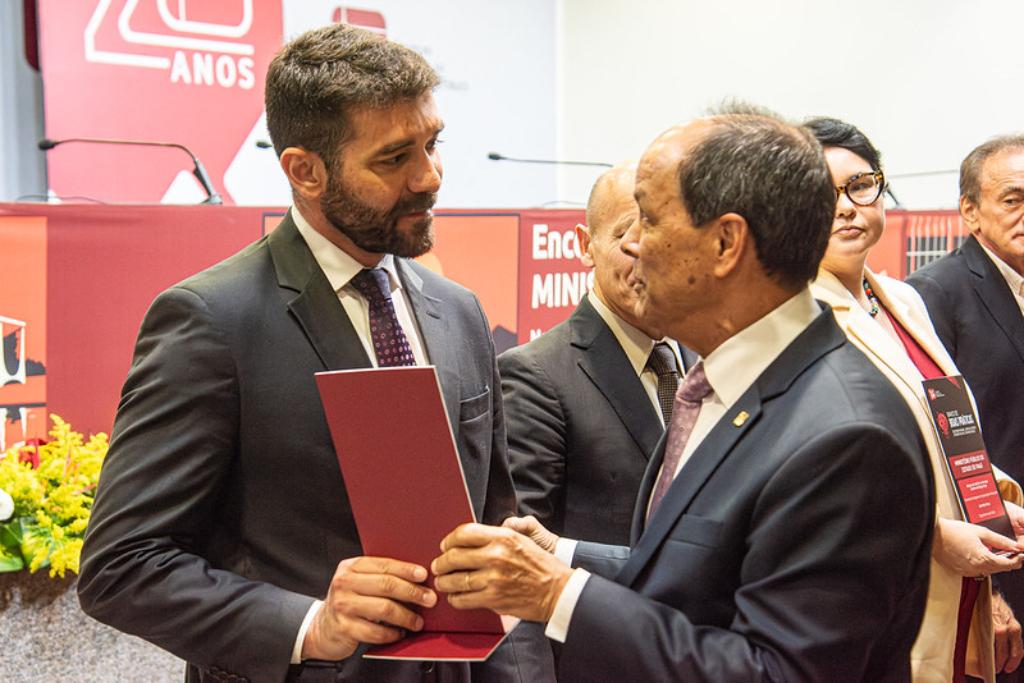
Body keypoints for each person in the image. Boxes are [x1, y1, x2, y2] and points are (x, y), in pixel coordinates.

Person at [77, 24, 549, 683]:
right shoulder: (211, 320)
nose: (429, 176)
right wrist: (311, 625)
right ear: (305, 170)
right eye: (394, 158)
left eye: (433, 143)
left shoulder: (460, 310)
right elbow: (121, 566)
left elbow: (497, 532)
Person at [430, 106, 936, 682]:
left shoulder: (846, 436)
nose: (633, 246)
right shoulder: (726, 384)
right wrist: (560, 556)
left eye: (647, 219)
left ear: (725, 243)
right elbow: (695, 580)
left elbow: (776, 672)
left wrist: (560, 595)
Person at [806, 117, 1024, 682]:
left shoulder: (901, 299)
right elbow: (814, 473)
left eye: (861, 186)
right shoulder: (791, 317)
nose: (847, 207)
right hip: (874, 589)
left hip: (956, 580)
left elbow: (947, 423)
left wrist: (991, 503)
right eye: (822, 192)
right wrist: (934, 534)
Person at [499, 162, 695, 545]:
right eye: (627, 234)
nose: (646, 253)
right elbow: (519, 548)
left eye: (664, 234)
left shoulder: (705, 355)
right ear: (585, 245)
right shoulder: (535, 376)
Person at [908, 134, 1024, 683]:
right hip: (997, 571)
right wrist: (990, 596)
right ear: (970, 212)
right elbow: (941, 451)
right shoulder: (932, 297)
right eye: (1013, 199)